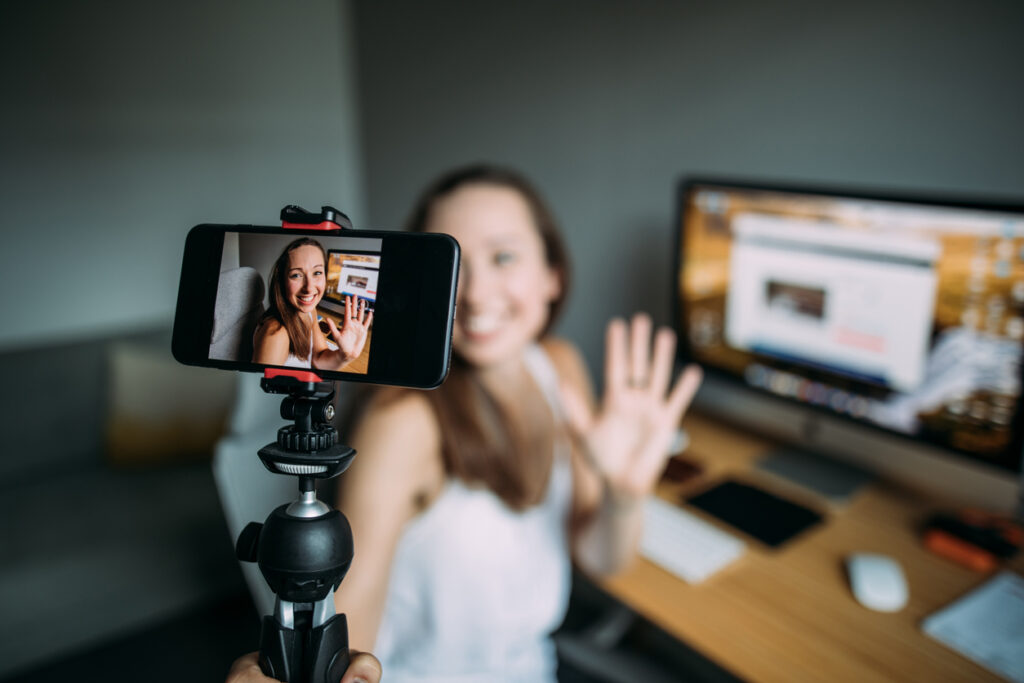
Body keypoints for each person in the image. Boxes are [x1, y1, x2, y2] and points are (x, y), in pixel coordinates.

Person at [333, 164, 703, 682]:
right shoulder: (403, 420)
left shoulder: (560, 367)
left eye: (503, 256)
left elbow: (601, 560)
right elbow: (349, 622)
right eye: (452, 264)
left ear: (553, 274)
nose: (477, 293)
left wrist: (624, 496)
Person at [253, 237, 373, 371]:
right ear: (281, 281)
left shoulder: (309, 311)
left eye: (317, 272)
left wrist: (344, 356)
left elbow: (318, 358)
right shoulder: (276, 335)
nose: (309, 288)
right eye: (296, 275)